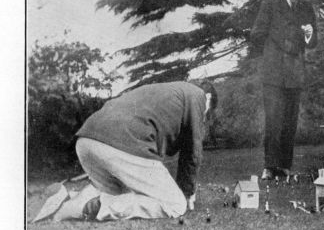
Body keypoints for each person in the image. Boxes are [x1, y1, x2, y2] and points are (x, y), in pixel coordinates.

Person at [34, 81, 217, 222]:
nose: (204, 117)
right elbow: (192, 151)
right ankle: (82, 207)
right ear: (208, 98)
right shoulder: (198, 95)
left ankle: (66, 197)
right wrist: (187, 193)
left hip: (86, 141)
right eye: (207, 113)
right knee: (176, 205)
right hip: (122, 143)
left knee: (119, 193)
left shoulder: (168, 91)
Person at [250, 0, 318, 180]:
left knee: (290, 123)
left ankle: (284, 167)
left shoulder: (306, 9)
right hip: (273, 73)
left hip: (295, 74)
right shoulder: (271, 4)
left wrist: (309, 35)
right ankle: (270, 167)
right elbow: (256, 34)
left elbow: (313, 42)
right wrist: (273, 49)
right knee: (273, 121)